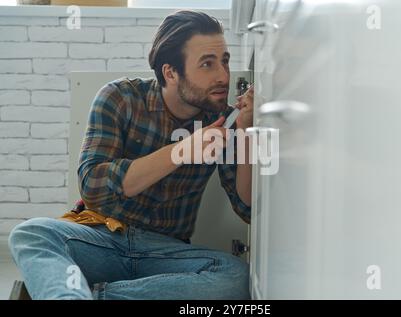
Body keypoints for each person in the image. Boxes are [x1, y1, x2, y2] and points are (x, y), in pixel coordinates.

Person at [8, 10, 254, 300]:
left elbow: (247, 208)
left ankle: (90, 295)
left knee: (235, 277)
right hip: (102, 238)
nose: (223, 76)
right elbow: (93, 187)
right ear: (170, 72)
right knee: (32, 234)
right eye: (207, 65)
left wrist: (247, 133)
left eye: (224, 61)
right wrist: (181, 151)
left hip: (166, 251)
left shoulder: (225, 120)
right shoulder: (120, 97)